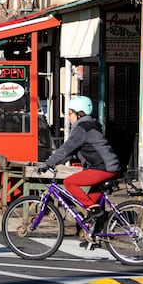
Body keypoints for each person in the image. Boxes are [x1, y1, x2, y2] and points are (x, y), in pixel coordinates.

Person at [42, 95, 121, 224]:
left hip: (104, 168)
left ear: (79, 114)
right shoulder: (91, 125)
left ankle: (95, 212)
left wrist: (48, 163)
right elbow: (70, 153)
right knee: (88, 204)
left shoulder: (81, 129)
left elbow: (64, 149)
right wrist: (55, 162)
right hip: (108, 167)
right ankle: (95, 236)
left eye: (70, 113)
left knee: (70, 183)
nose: (68, 116)